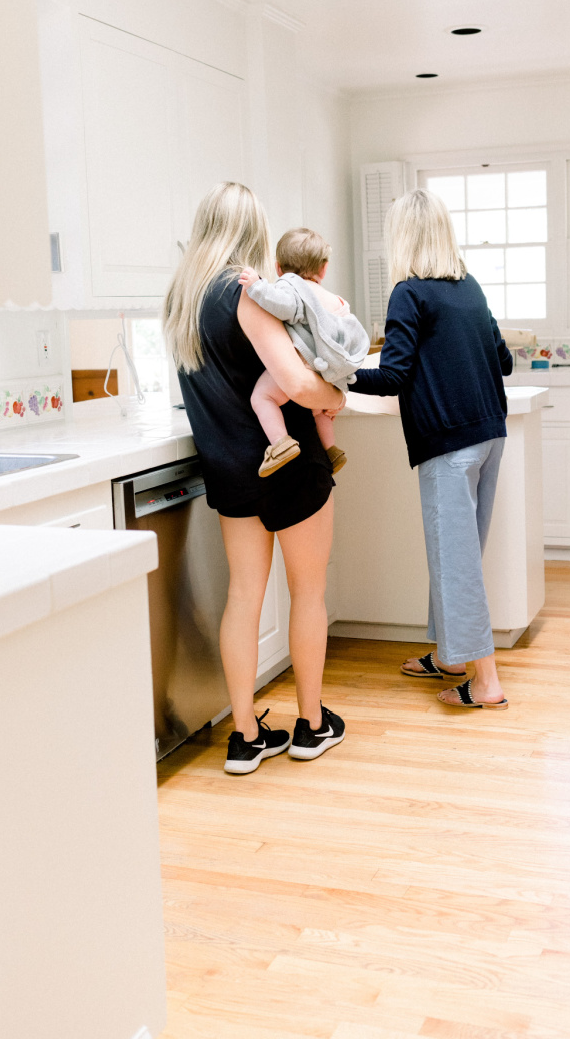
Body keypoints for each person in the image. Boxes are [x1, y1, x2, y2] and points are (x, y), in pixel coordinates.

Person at [162, 183, 347, 773]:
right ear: (253, 232)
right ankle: (312, 725)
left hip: (231, 469)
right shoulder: (246, 294)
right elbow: (294, 383)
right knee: (308, 592)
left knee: (243, 596)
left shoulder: (181, 300)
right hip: (288, 463)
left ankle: (244, 737)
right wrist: (335, 394)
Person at [353, 188, 514, 710]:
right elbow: (504, 361)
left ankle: (486, 681)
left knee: (455, 560)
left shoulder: (409, 292)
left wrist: (334, 373)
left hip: (449, 443)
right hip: (490, 436)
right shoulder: (469, 287)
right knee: (456, 555)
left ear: (402, 236)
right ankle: (449, 656)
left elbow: (394, 375)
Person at [238, 227, 369, 478]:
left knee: (262, 397)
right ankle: (331, 449)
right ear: (324, 268)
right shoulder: (336, 300)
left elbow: (285, 307)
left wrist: (257, 287)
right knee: (319, 408)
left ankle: (280, 443)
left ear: (278, 268)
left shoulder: (292, 288)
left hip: (305, 360)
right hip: (330, 368)